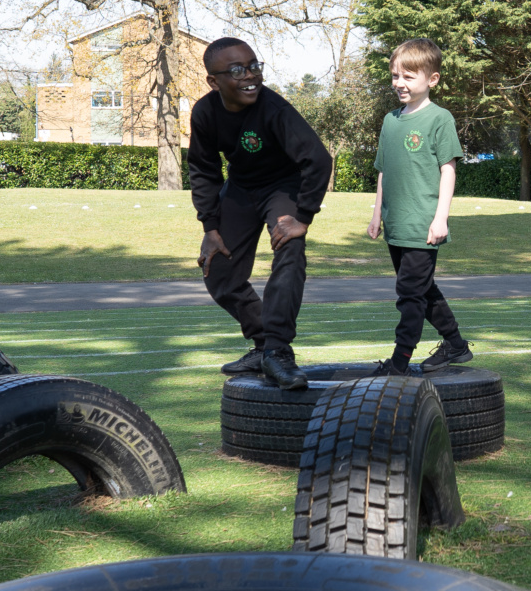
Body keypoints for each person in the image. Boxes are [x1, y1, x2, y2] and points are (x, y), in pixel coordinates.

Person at [188, 37, 333, 391]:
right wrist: (210, 226)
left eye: (254, 66)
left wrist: (303, 217)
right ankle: (262, 344)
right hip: (239, 188)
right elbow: (203, 170)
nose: (250, 75)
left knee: (289, 248)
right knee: (217, 267)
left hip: (282, 187)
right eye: (237, 70)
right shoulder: (205, 113)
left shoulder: (274, 109)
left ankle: (279, 352)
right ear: (213, 81)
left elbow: (318, 159)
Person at [365, 38, 473, 375]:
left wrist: (441, 218)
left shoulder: (439, 119)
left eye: (409, 77)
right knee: (422, 289)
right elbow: (384, 170)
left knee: (409, 294)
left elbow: (448, 170)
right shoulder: (390, 121)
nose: (400, 83)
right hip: (396, 224)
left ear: (432, 79)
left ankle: (399, 363)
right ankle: (455, 344)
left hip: (423, 225)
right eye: (396, 76)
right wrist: (376, 213)